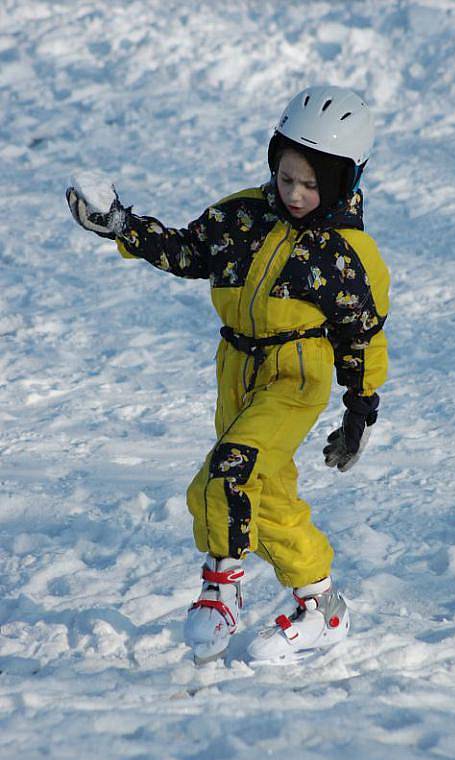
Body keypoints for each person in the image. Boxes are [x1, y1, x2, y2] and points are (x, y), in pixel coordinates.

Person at [66, 85, 390, 665]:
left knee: (228, 474)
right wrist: (120, 225)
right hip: (237, 371)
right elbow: (188, 251)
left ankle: (220, 591)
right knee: (259, 498)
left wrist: (360, 410)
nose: (295, 193)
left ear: (346, 181)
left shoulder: (347, 256)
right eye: (288, 176)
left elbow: (362, 337)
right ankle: (322, 607)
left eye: (313, 184)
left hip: (296, 377)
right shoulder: (241, 215)